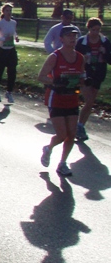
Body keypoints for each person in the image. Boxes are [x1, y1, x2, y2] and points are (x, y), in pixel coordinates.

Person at [38, 25, 86, 176]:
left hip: (72, 99)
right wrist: (57, 82)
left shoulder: (80, 57)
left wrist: (85, 81)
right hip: (56, 98)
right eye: (69, 36)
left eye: (75, 36)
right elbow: (41, 77)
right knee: (62, 134)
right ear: (62, 39)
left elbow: (82, 76)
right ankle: (48, 148)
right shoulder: (55, 57)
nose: (72, 39)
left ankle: (62, 163)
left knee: (71, 134)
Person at [75, 18, 111, 141]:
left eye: (98, 30)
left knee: (90, 103)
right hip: (85, 73)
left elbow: (110, 59)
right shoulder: (82, 42)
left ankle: (80, 126)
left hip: (98, 73)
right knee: (89, 101)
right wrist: (84, 59)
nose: (95, 32)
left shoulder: (105, 41)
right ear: (88, 29)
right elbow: (75, 58)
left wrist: (104, 53)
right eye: (93, 29)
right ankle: (79, 126)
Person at [0, 3, 19, 104]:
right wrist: (3, 38)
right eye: (7, 11)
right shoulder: (0, 23)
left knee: (12, 72)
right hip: (1, 50)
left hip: (11, 50)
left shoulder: (13, 22)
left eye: (10, 11)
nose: (9, 13)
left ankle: (9, 92)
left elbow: (14, 32)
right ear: (3, 12)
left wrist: (16, 37)